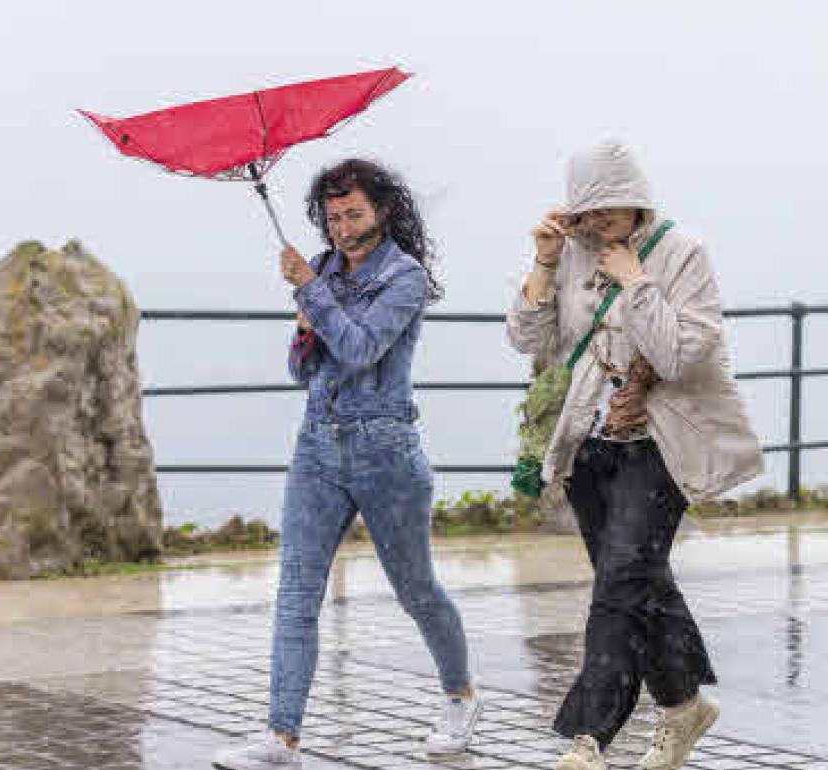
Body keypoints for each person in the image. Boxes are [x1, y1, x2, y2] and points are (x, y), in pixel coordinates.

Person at [214, 159, 480, 770]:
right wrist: (306, 321)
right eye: (332, 217)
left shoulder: (405, 276)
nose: (341, 228)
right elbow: (301, 370)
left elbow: (362, 350)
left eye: (353, 214)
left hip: (386, 450)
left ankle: (460, 695)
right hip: (317, 446)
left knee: (415, 589)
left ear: (383, 211)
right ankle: (281, 738)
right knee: (297, 592)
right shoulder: (326, 268)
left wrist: (311, 291)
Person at [506, 140, 764, 770]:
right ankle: (682, 708)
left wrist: (635, 282)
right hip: (589, 445)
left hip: (662, 445)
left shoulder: (682, 254)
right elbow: (528, 339)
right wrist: (543, 265)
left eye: (607, 212)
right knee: (637, 579)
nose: (595, 226)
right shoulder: (569, 252)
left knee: (621, 579)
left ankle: (588, 739)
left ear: (635, 201)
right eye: (584, 215)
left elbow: (678, 353)